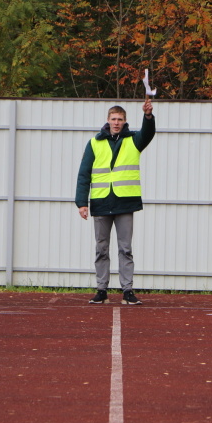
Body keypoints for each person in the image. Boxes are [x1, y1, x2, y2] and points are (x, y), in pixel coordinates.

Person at [76, 99, 156, 305]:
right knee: (101, 248)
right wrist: (81, 203)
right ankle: (101, 289)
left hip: (125, 202)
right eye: (113, 119)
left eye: (120, 119)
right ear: (107, 120)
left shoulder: (133, 140)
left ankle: (127, 290)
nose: (116, 122)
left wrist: (148, 116)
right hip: (101, 201)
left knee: (125, 248)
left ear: (125, 121)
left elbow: (148, 134)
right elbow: (84, 173)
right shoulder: (95, 143)